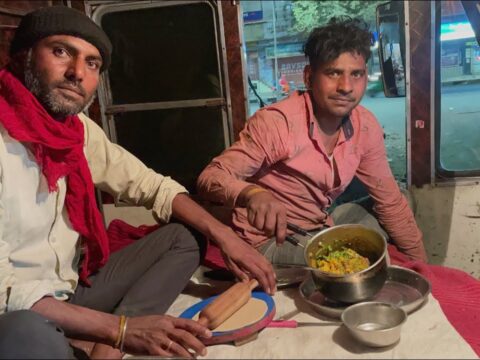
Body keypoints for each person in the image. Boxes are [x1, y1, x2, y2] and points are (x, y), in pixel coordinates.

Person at [0, 6, 275, 359]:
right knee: (26, 335)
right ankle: (103, 336)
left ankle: (104, 345)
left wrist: (228, 239)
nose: (77, 73)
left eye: (92, 63)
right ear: (24, 55)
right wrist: (122, 330)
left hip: (68, 290)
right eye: (60, 51)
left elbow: (151, 185)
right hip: (19, 314)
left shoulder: (77, 132)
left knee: (185, 236)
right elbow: (6, 292)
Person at [197, 16, 427, 271]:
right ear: (309, 77)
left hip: (320, 225)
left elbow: (390, 201)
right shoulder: (277, 123)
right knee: (345, 263)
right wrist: (253, 194)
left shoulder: (365, 126)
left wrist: (424, 269)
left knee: (402, 200)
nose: (346, 87)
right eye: (333, 73)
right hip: (272, 241)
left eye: (356, 74)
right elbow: (211, 177)